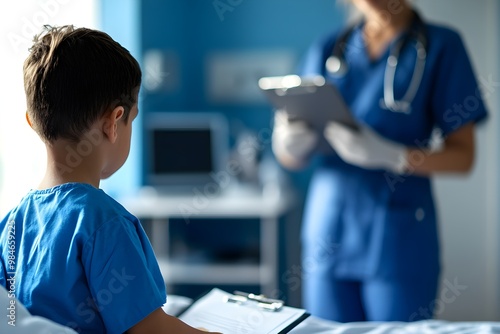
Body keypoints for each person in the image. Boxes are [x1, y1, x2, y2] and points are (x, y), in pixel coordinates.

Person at [272, 0, 487, 322]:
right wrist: (289, 145)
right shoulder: (330, 47)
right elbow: (290, 160)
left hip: (398, 237)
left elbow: (463, 157)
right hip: (328, 227)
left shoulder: (441, 46)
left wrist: (394, 157)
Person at [0, 25, 220, 334]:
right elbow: (150, 330)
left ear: (32, 122)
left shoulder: (11, 223)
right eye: (133, 118)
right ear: (114, 122)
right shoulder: (105, 222)